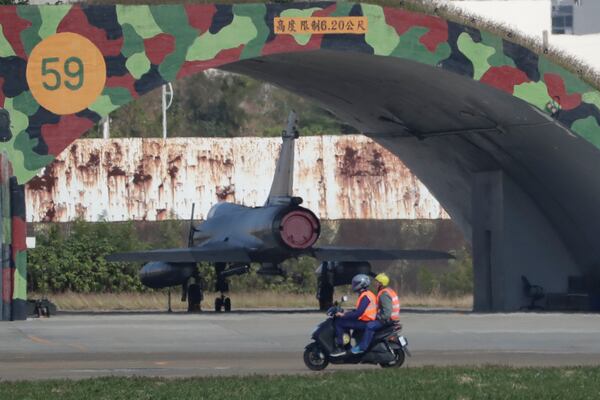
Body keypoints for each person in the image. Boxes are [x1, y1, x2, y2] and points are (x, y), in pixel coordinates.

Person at [330, 274, 377, 357]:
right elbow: (360, 311)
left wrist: (343, 315)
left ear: (361, 284)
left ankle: (340, 347)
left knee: (339, 322)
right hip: (366, 320)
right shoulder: (367, 294)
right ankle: (347, 346)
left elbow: (359, 313)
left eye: (356, 283)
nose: (354, 285)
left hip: (365, 322)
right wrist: (346, 312)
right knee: (345, 322)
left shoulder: (366, 297)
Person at [361, 273, 401, 351]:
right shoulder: (389, 291)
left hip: (387, 320)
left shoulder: (384, 294)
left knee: (369, 326)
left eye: (377, 282)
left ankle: (363, 347)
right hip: (392, 319)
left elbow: (387, 312)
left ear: (381, 284)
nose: (375, 284)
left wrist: (377, 317)